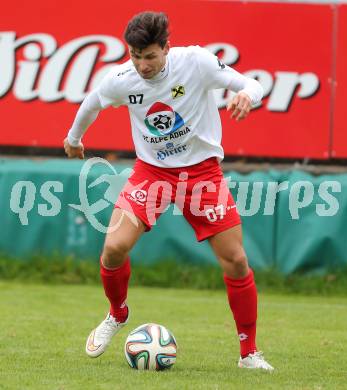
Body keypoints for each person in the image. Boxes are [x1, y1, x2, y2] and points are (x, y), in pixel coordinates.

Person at [64, 11, 273, 370]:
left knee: (237, 261)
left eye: (150, 56)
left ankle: (249, 353)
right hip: (151, 173)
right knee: (113, 247)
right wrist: (73, 138)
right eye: (135, 56)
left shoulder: (196, 62)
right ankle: (117, 313)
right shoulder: (122, 79)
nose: (142, 65)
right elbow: (92, 103)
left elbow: (252, 84)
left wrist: (246, 98)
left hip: (202, 174)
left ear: (166, 48)